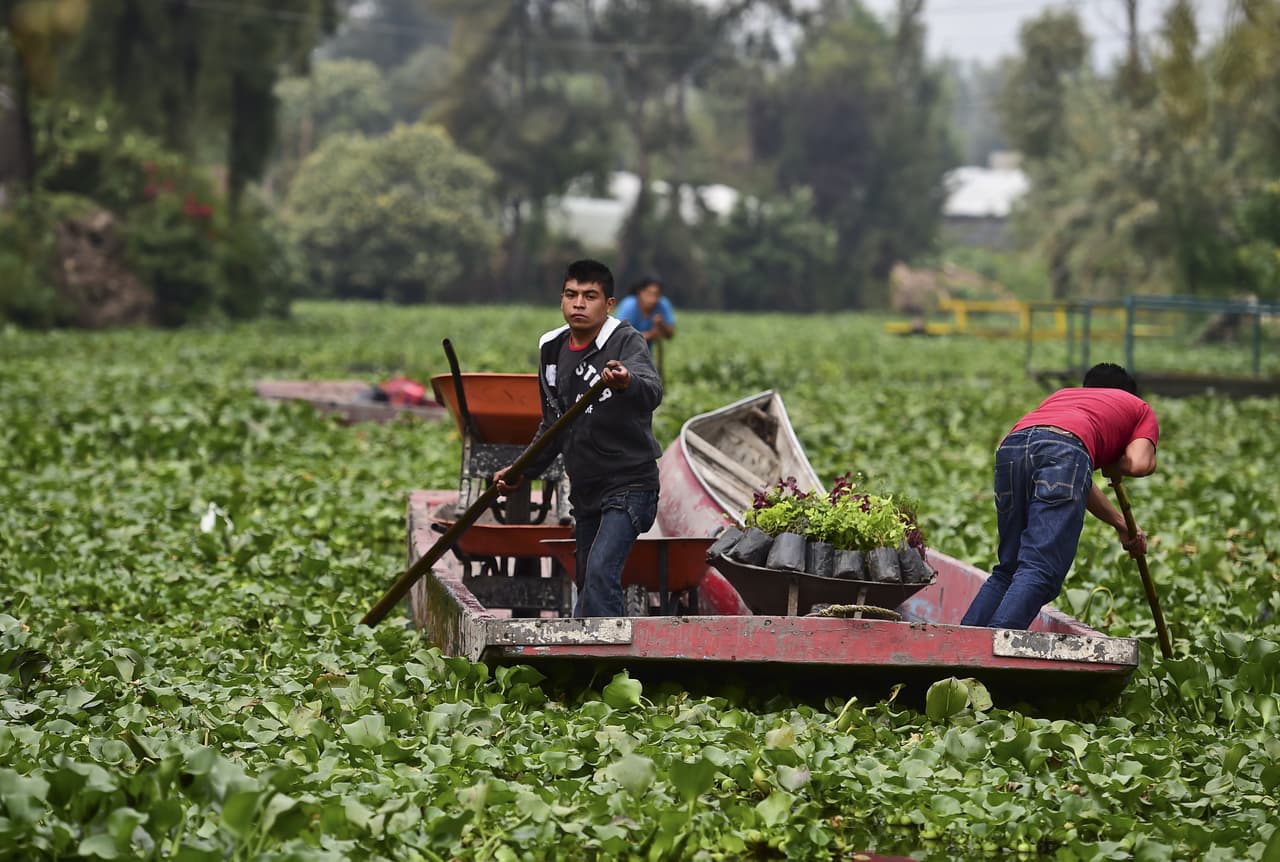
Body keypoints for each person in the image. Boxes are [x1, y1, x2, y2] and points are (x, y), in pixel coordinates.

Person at [494, 259, 664, 617]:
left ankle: (614, 668)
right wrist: (521, 470)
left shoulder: (624, 342)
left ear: (609, 304)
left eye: (590, 296)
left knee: (601, 572)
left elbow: (652, 390)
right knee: (587, 579)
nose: (579, 304)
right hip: (586, 490)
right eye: (571, 295)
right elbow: (553, 425)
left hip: (630, 484)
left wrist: (626, 382)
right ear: (562, 300)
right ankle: (589, 662)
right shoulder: (552, 348)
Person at [961, 363, 1160, 630]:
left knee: (1008, 568)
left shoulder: (1063, 396)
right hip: (1065, 450)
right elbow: (1139, 463)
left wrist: (1120, 524)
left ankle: (961, 644)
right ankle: (993, 649)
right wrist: (1114, 463)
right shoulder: (1139, 407)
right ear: (1129, 394)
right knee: (1040, 569)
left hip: (1013, 447)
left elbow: (1076, 482)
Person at [614, 277, 676, 350]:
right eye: (649, 294)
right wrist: (651, 334)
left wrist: (662, 324)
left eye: (656, 294)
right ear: (640, 292)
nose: (652, 299)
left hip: (646, 353)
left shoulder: (662, 304)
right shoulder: (629, 306)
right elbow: (620, 337)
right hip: (624, 352)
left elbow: (670, 335)